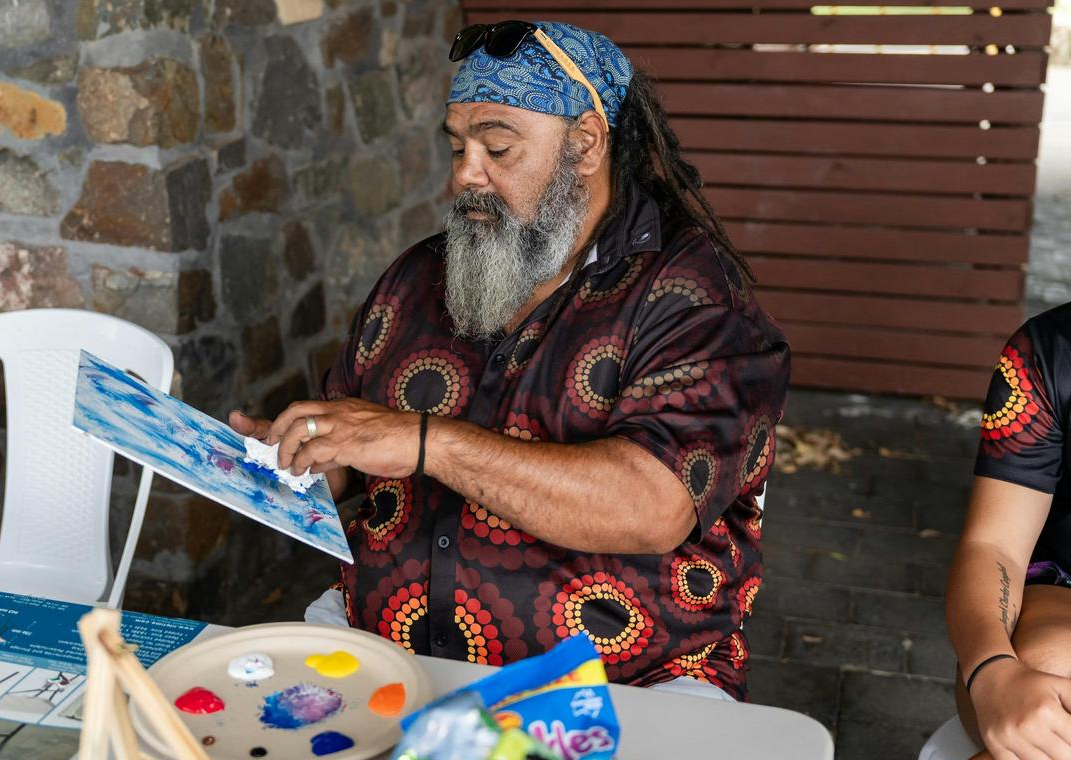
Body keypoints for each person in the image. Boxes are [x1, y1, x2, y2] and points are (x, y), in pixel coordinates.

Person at [230, 20, 789, 701]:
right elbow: (352, 445)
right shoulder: (417, 277)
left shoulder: (695, 299)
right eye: (457, 146)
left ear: (585, 144)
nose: (466, 174)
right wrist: (296, 455)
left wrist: (427, 443)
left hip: (626, 686)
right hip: (380, 643)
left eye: (498, 147)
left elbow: (654, 506)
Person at [899, 302, 1071, 760]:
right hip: (1058, 593)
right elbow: (995, 546)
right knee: (1044, 658)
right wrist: (994, 673)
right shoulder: (1049, 351)